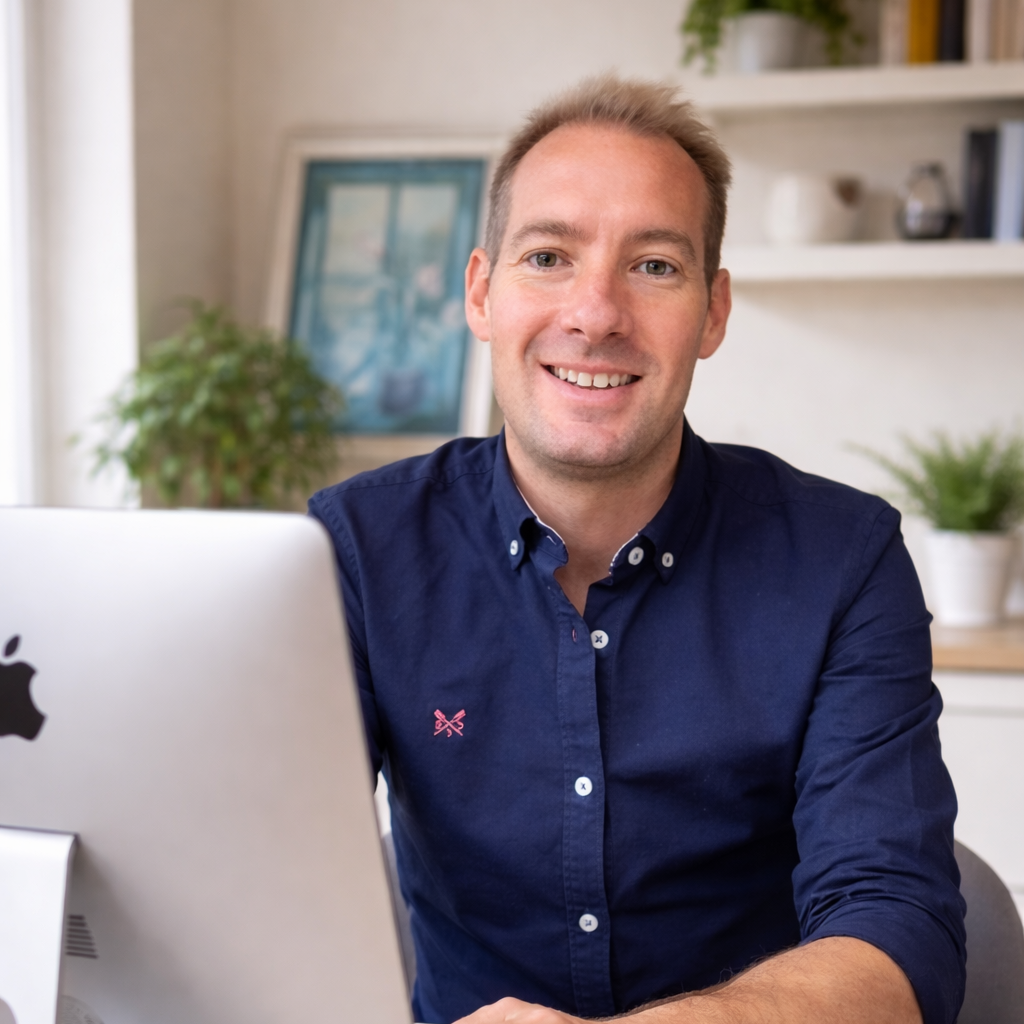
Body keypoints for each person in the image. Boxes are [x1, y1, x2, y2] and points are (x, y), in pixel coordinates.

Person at [308, 75, 965, 1024]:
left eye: (654, 266)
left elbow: (900, 929)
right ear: (482, 294)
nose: (596, 312)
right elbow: (267, 872)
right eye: (548, 257)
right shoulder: (356, 550)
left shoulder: (844, 562)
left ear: (712, 312)